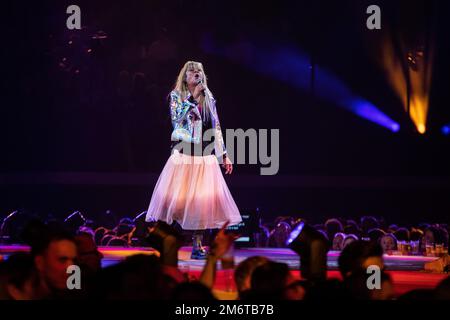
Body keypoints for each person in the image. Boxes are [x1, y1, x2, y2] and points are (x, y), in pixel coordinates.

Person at [146, 61, 242, 259]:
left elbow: (216, 126)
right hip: (183, 155)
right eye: (192, 70)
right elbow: (176, 120)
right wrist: (193, 98)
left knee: (201, 205)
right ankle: (163, 241)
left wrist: (223, 154)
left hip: (204, 156)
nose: (197, 73)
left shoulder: (209, 96)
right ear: (185, 75)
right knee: (175, 202)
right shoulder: (177, 95)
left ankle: (197, 247)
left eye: (199, 70)